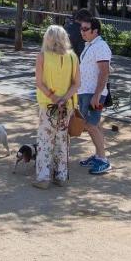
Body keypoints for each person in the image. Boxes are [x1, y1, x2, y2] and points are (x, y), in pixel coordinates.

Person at [33, 25, 79, 189]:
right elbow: (76, 84)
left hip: (48, 105)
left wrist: (54, 98)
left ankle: (43, 177)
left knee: (45, 141)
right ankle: (60, 175)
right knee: (62, 140)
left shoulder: (42, 56)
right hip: (66, 106)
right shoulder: (73, 57)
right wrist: (63, 98)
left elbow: (39, 83)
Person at [76, 16, 112, 175]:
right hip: (86, 92)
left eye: (85, 29)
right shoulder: (91, 45)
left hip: (93, 94)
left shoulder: (101, 46)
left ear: (95, 31)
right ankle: (99, 155)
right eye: (81, 29)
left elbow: (105, 72)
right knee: (93, 125)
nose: (82, 32)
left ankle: (103, 160)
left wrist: (97, 95)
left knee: (90, 125)